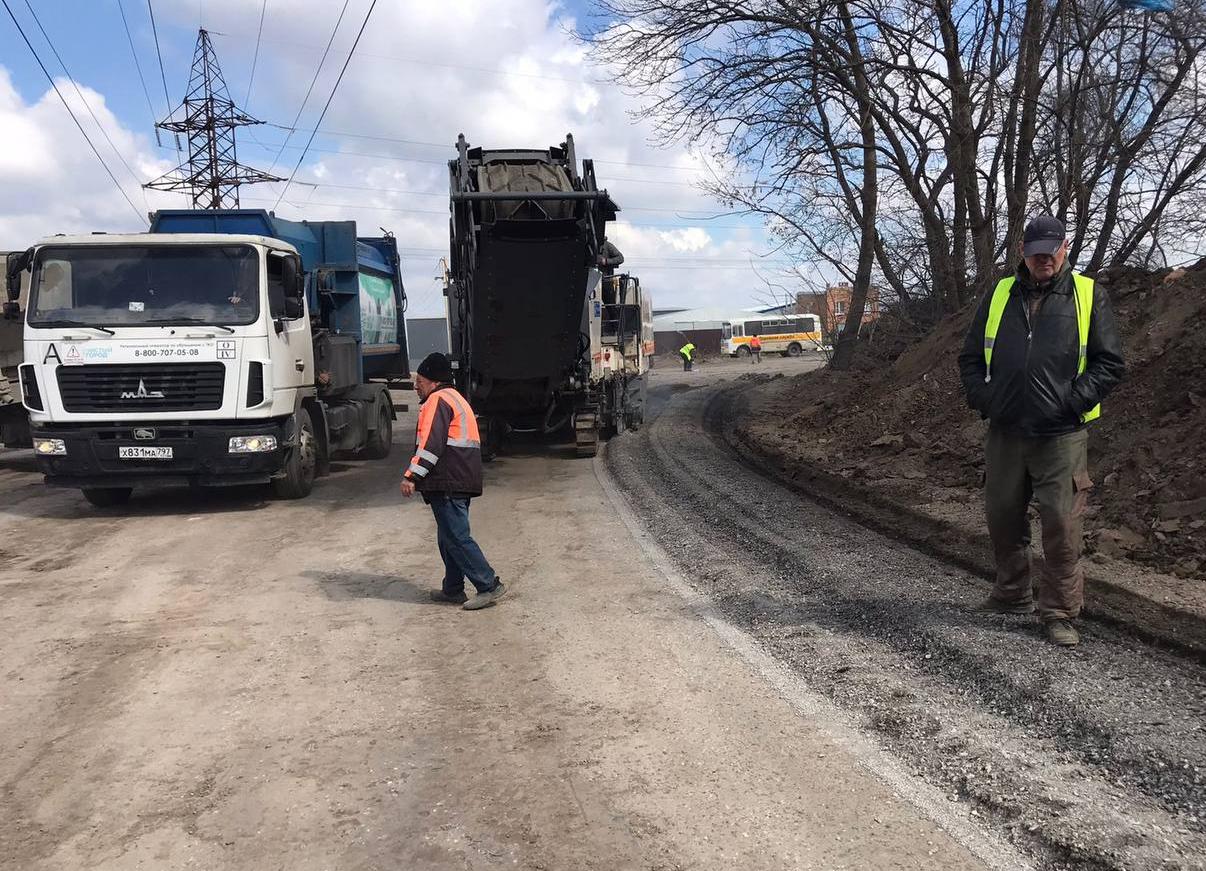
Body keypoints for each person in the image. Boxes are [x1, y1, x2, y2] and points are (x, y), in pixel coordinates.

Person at [958, 215, 1124, 647]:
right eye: (1035, 252)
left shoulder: (1088, 295)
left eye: (1051, 250)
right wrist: (987, 400)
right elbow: (971, 358)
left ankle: (1059, 611)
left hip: (1061, 435)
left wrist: (1071, 403)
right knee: (1003, 517)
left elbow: (1110, 364)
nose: (1043, 258)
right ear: (1023, 254)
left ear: (1065, 248)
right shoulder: (999, 295)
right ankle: (1011, 594)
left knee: (1061, 526)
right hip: (1006, 431)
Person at [401, 352, 506, 611]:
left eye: (420, 381)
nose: (416, 386)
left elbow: (430, 445)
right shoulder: (454, 397)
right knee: (448, 536)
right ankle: (453, 588)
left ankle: (488, 585)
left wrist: (412, 476)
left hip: (449, 480)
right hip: (458, 478)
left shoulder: (437, 400)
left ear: (434, 382)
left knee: (457, 537)